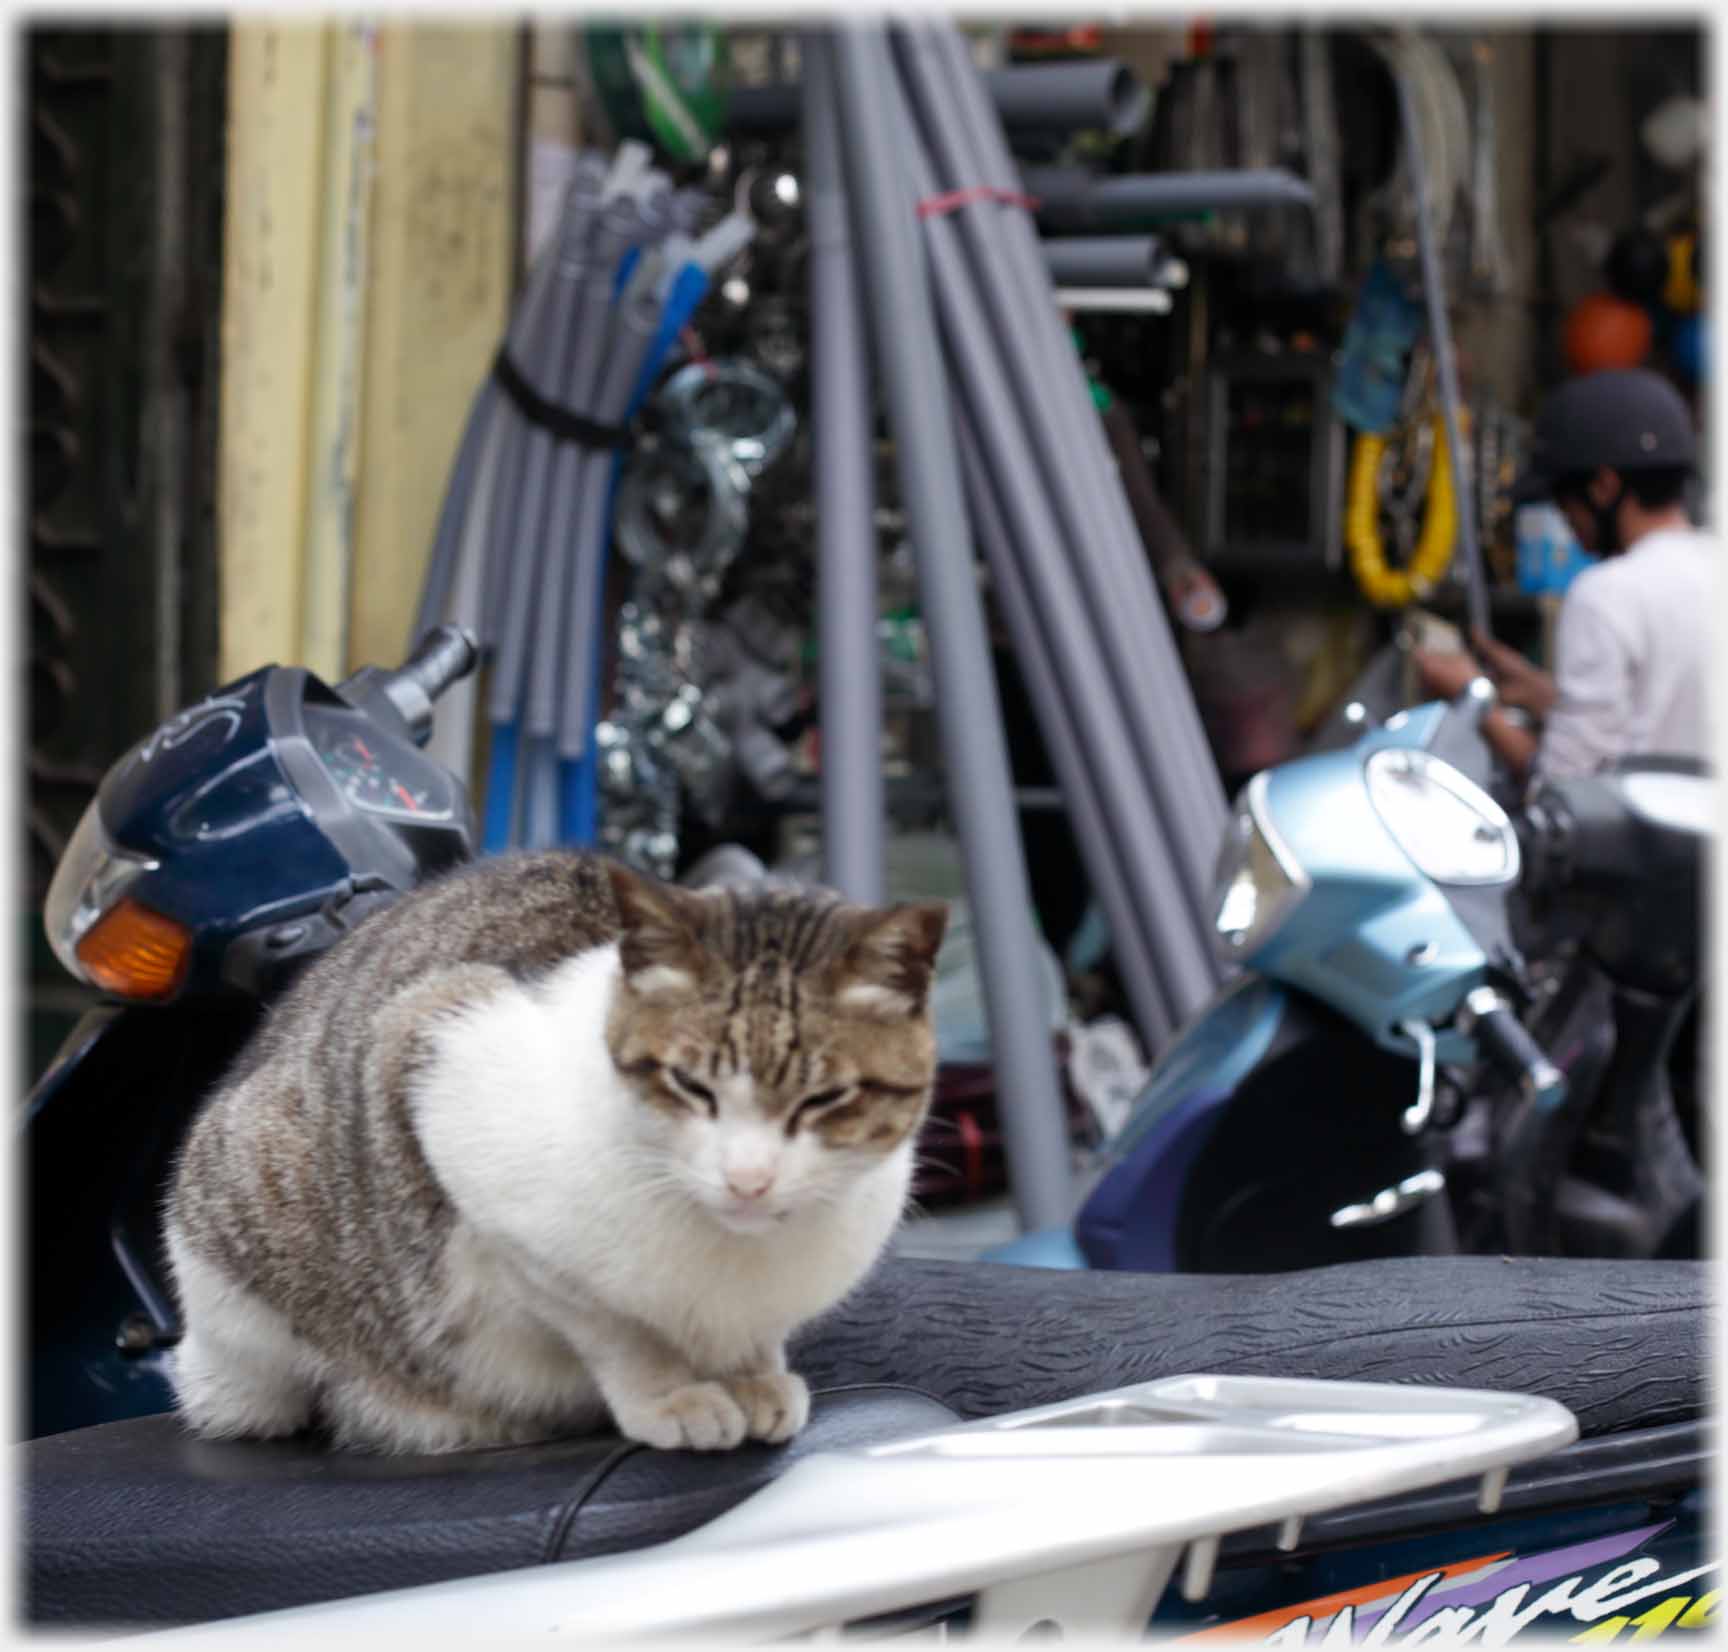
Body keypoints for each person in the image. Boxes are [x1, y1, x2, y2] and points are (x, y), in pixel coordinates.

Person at [1416, 368, 1714, 786]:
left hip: (1643, 850)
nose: (1564, 519)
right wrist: (1549, 697)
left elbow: (1567, 791)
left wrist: (1473, 699)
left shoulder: (1607, 593)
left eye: (1562, 499)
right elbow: (1659, 720)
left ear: (1604, 488)